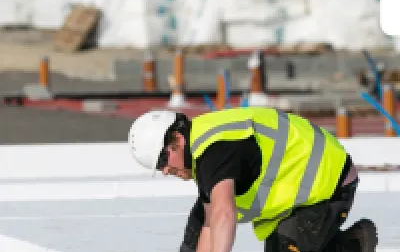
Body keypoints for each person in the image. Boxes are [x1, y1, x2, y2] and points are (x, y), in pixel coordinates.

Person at [128, 106, 378, 252]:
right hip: (295, 193)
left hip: (328, 185)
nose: (164, 171)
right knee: (195, 235)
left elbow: (224, 214)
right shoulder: (201, 149)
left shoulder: (215, 152)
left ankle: (352, 245)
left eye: (163, 162)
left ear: (177, 140)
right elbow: (209, 224)